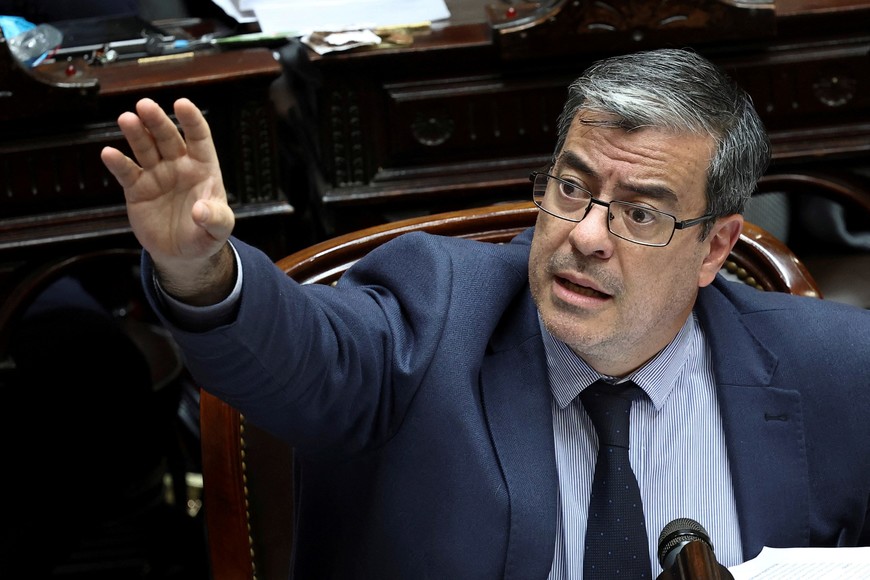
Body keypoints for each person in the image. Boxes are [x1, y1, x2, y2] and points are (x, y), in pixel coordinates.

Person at [100, 47, 870, 579]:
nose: (588, 237)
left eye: (642, 215)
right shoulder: (437, 311)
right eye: (571, 189)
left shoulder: (836, 369)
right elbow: (303, 352)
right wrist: (198, 267)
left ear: (714, 249)